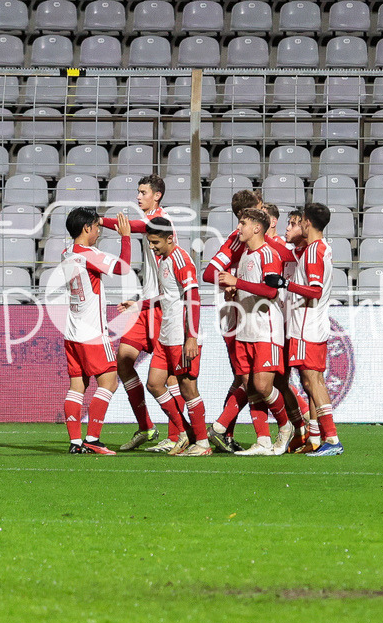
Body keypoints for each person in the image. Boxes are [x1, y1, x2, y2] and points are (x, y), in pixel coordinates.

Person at [97, 174, 188, 452]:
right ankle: (146, 427)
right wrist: (138, 301)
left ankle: (178, 435)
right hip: (147, 304)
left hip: (164, 308)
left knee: (169, 377)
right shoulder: (152, 221)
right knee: (123, 361)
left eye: (143, 192)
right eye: (138, 192)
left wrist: (101, 221)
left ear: (157, 195)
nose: (138, 197)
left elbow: (135, 227)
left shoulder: (163, 221)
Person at [264, 203, 343, 457]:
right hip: (312, 324)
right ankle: (316, 437)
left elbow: (315, 290)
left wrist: (286, 283)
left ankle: (332, 438)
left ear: (307, 222)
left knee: (313, 381)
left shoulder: (313, 251)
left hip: (306, 326)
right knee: (310, 382)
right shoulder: (320, 248)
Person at [213, 208, 293, 456]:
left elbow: (271, 292)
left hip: (265, 330)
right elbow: (249, 288)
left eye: (243, 223)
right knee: (250, 386)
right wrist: (233, 291)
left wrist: (237, 282)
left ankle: (286, 426)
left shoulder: (267, 254)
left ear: (258, 227)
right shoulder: (246, 253)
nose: (239, 228)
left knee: (262, 385)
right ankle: (262, 440)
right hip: (244, 328)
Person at [59, 207, 133, 455]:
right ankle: (92, 438)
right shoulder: (89, 254)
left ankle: (75, 442)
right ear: (86, 228)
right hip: (92, 332)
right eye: (97, 227)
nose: (99, 231)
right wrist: (125, 236)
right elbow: (123, 268)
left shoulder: (66, 252)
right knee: (109, 382)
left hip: (72, 331)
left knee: (77, 386)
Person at [143, 217, 211, 456]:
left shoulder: (181, 259)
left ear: (170, 238)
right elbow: (169, 297)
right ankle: (185, 433)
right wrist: (139, 304)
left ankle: (202, 443)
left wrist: (191, 337)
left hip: (182, 336)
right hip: (166, 336)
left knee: (188, 389)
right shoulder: (164, 260)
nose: (152, 247)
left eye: (155, 242)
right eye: (150, 242)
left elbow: (193, 298)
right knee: (154, 384)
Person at [202, 190, 263, 452]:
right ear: (245, 216)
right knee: (246, 378)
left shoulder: (258, 242)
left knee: (246, 378)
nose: (265, 213)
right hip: (235, 318)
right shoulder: (235, 242)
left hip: (250, 316)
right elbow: (208, 273)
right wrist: (229, 283)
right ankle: (225, 430)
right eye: (259, 209)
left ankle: (224, 430)